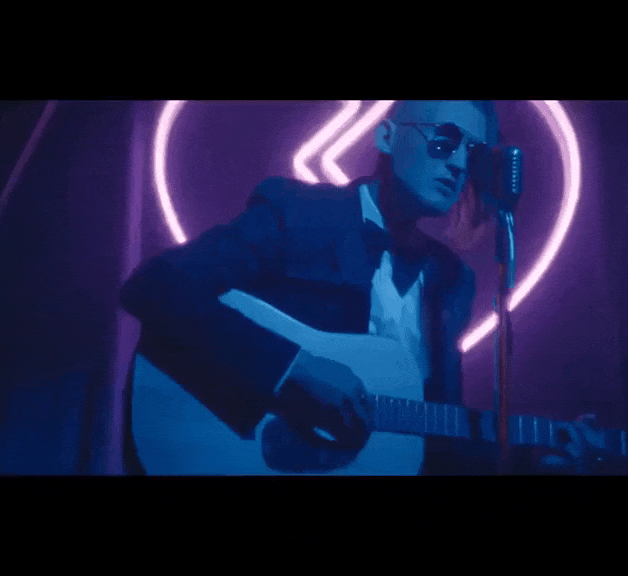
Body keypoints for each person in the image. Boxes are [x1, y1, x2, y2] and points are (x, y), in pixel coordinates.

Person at [119, 100, 597, 475]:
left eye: (472, 154)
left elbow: (434, 439)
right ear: (386, 136)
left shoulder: (451, 280)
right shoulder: (298, 213)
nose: (457, 165)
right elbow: (157, 286)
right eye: (444, 141)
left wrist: (529, 459)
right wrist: (293, 369)